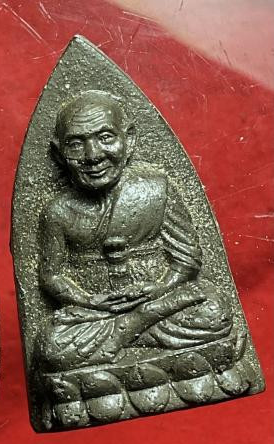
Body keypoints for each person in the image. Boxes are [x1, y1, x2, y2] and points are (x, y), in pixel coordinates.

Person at [39, 90, 233, 373]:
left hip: (158, 301)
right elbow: (51, 276)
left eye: (106, 138)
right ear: (59, 154)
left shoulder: (156, 189)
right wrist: (90, 301)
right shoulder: (58, 211)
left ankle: (126, 334)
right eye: (76, 144)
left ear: (128, 140)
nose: (93, 155)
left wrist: (160, 288)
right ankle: (138, 332)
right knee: (52, 344)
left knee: (213, 310)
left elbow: (188, 260)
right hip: (98, 315)